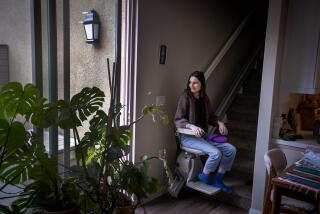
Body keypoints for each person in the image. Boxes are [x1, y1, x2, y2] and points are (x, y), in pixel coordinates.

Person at [174, 71, 236, 193]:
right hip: (188, 137)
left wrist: (220, 123)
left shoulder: (205, 98)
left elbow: (212, 117)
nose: (191, 85)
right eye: (190, 82)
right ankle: (204, 177)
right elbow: (178, 120)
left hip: (203, 137)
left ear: (202, 84)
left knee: (231, 150)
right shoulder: (185, 96)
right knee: (216, 153)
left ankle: (218, 179)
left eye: (195, 83)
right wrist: (192, 126)